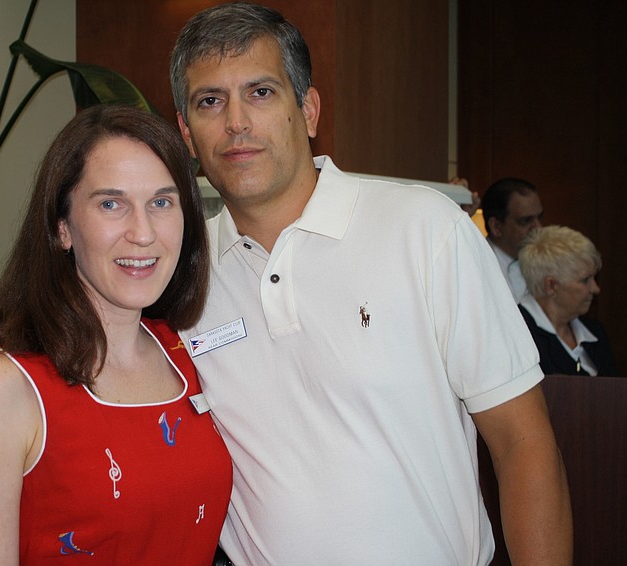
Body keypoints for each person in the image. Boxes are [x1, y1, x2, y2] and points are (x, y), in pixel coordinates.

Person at [169, 3, 572, 564]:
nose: (236, 121)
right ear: (187, 133)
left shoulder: (425, 229)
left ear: (307, 110)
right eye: (210, 101)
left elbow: (523, 442)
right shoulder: (179, 276)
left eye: (260, 92)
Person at [0, 105, 232, 565]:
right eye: (111, 204)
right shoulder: (3, 386)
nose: (142, 233)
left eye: (162, 202)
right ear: (62, 228)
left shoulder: (184, 352)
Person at [518, 225, 618, 376]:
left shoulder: (594, 331)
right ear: (551, 285)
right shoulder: (520, 334)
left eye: (594, 278)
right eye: (585, 280)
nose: (596, 289)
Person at [482, 177, 544, 302]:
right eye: (525, 221)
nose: (538, 228)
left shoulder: (546, 261)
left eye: (539, 218)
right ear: (496, 227)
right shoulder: (478, 267)